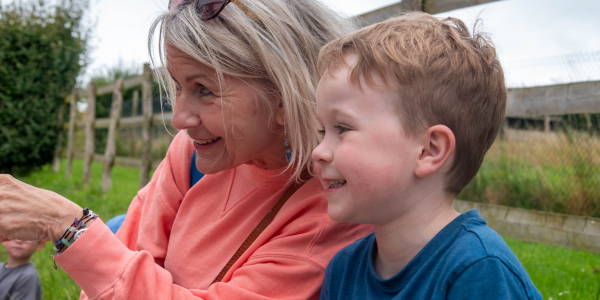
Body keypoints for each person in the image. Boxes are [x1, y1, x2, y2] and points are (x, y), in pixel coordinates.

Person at [0, 0, 373, 299]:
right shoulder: (195, 151)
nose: (179, 119)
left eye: (203, 89)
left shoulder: (329, 216)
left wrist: (72, 228)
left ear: (283, 95)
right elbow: (124, 262)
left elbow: (112, 271)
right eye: (178, 86)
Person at [312, 12, 543, 300]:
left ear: (429, 150)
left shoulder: (478, 271)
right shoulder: (343, 270)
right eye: (322, 132)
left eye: (342, 128)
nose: (318, 152)